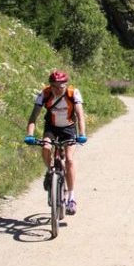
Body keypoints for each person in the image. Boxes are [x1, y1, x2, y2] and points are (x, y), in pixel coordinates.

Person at [24, 70, 87, 215]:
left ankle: (71, 197)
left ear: (66, 85)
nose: (57, 89)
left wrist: (82, 134)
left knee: (70, 159)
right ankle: (50, 170)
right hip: (51, 127)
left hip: (68, 128)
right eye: (54, 86)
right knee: (46, 147)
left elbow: (80, 115)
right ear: (50, 85)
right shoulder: (44, 94)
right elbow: (33, 117)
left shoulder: (73, 93)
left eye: (61, 86)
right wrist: (30, 134)